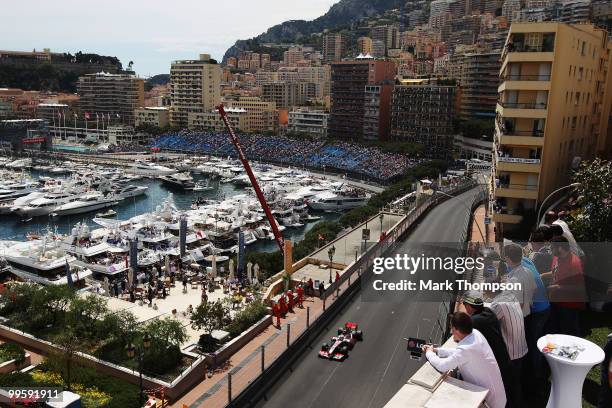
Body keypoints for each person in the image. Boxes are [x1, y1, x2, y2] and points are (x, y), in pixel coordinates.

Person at [423, 312, 506, 408]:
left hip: (490, 402)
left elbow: (442, 366)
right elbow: (458, 353)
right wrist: (437, 350)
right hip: (497, 395)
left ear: (455, 329)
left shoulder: (466, 349)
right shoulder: (475, 333)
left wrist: (429, 353)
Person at [462, 292, 516, 407]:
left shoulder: (474, 322)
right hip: (505, 361)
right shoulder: (489, 312)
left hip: (497, 368)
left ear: (468, 306)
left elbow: (459, 337)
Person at [542, 236, 586, 336]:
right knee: (557, 330)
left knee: (570, 332)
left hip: (569, 305)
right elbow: (555, 271)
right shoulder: (556, 258)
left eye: (552, 248)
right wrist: (542, 275)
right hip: (556, 301)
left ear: (560, 248)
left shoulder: (574, 264)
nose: (550, 250)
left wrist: (557, 287)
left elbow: (580, 288)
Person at [490, 292, 528, 407]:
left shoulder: (498, 304)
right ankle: (519, 402)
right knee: (516, 381)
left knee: (507, 384)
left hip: (511, 353)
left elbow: (487, 320)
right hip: (521, 347)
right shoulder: (511, 296)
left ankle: (511, 404)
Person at [503, 243, 537, 317]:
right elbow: (534, 288)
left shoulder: (515, 279)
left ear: (508, 258)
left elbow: (519, 305)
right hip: (528, 312)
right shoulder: (528, 271)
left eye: (505, 257)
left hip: (519, 317)